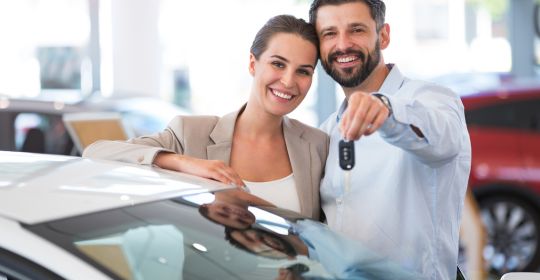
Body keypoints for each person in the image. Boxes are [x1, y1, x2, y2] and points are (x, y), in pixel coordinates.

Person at [83, 15, 329, 219]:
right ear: (253, 64)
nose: (288, 81)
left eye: (303, 71)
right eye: (278, 64)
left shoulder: (317, 145)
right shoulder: (191, 134)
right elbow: (96, 152)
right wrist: (185, 162)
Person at [308, 0, 471, 279]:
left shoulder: (431, 100)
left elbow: (441, 137)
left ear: (383, 35)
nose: (343, 44)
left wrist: (385, 110)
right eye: (329, 34)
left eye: (356, 30)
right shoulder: (326, 132)